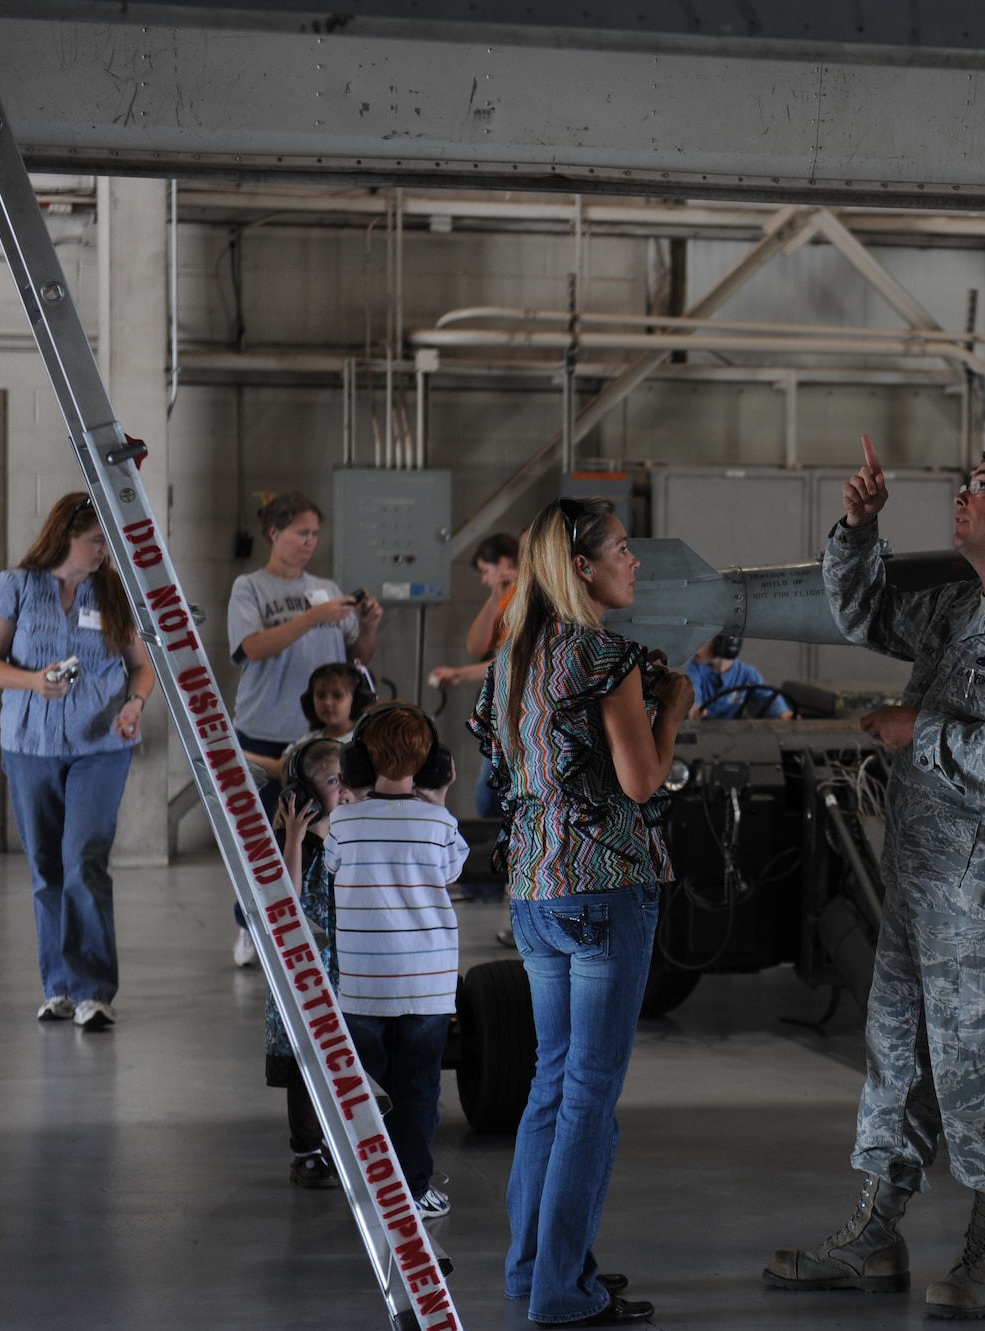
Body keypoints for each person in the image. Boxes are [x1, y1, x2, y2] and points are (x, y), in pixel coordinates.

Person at [764, 439, 985, 1320]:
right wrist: (858, 527)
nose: (962, 495)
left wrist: (926, 729)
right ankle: (875, 1233)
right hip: (918, 883)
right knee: (897, 1056)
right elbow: (863, 611)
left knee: (980, 1066)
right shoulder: (957, 607)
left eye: (981, 487)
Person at [471, 495, 691, 1327]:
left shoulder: (512, 657)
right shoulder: (605, 655)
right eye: (623, 549)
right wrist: (671, 708)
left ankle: (534, 1268)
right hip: (604, 885)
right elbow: (641, 783)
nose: (634, 562)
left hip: (531, 886)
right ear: (585, 568)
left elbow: (509, 765)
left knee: (552, 1083)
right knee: (590, 1094)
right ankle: (564, 1291)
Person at [0, 492, 159, 1032]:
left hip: (101, 747)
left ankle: (94, 992)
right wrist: (35, 680)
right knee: (47, 869)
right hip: (29, 746)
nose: (105, 549)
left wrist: (135, 703)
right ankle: (58, 987)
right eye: (96, 540)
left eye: (109, 540)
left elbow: (141, 668)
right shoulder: (15, 587)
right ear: (65, 535)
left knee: (85, 859)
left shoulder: (114, 591)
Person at [228, 491, 383, 965]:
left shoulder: (326, 586)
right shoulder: (250, 587)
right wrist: (313, 617)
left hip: (324, 738)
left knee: (319, 835)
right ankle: (250, 922)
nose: (309, 542)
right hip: (267, 729)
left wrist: (370, 625)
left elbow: (355, 665)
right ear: (274, 533)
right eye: (301, 532)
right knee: (263, 838)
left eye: (315, 533)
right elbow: (252, 647)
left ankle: (310, 920)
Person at [330, 703, 468, 1219]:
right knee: (418, 1088)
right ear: (434, 765)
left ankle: (372, 1185)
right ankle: (413, 1188)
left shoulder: (342, 822)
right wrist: (440, 798)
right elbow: (452, 873)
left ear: (357, 762)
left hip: (364, 985)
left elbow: (334, 865)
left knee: (371, 1089)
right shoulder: (440, 824)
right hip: (427, 987)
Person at [265, 735, 351, 1187]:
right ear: (306, 793)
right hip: (309, 969)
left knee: (348, 1055)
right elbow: (288, 898)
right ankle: (307, 1150)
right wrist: (297, 836)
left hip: (348, 968)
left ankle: (343, 1141)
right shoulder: (291, 840)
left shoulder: (350, 833)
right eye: (333, 782)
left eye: (346, 780)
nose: (343, 790)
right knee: (308, 1062)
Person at [427, 531, 522, 818]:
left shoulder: (526, 599)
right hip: (501, 713)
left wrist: (459, 674)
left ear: (504, 562)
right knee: (488, 800)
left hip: (517, 714)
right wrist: (494, 598)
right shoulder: (507, 599)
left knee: (489, 801)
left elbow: (515, 662)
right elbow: (476, 645)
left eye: (485, 571)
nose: (483, 579)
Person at [685, 634, 794, 719]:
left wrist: (783, 713)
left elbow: (767, 697)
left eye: (702, 642)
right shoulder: (695, 668)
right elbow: (693, 690)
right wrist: (695, 708)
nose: (694, 647)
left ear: (724, 643)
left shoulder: (747, 674)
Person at [300, 660, 374, 743]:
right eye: (321, 696)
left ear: (357, 700)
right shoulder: (308, 740)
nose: (327, 703)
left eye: (337, 695)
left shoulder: (364, 741)